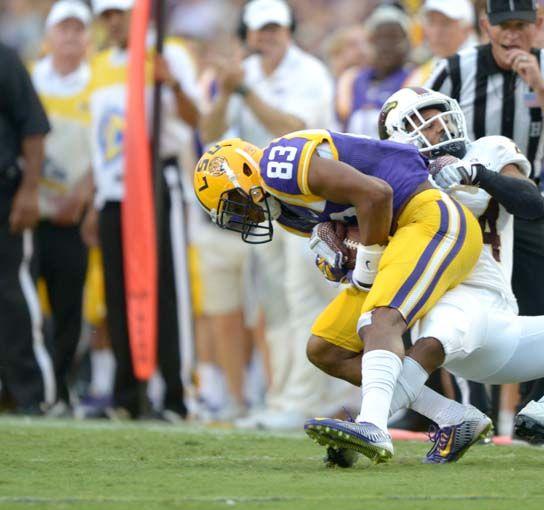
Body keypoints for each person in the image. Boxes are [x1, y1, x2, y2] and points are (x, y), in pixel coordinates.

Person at [368, 88, 544, 462]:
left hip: (502, 317)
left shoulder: (487, 150)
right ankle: (369, 423)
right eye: (425, 123)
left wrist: (480, 175)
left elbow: (533, 204)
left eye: (441, 117)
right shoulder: (395, 182)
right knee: (436, 335)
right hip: (451, 302)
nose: (440, 128)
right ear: (401, 135)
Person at [193, 127, 484, 462]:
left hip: (428, 216)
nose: (243, 217)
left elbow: (377, 194)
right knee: (326, 348)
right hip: (399, 239)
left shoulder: (277, 164)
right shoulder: (289, 214)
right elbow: (363, 225)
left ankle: (372, 426)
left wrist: (367, 258)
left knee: (381, 319)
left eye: (236, 205)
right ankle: (453, 416)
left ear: (244, 172)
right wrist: (343, 260)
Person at [426, 0, 544, 419]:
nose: (512, 35)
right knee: (464, 308)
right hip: (464, 209)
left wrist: (542, 88)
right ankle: (472, 412)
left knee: (540, 305)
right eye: (504, 26)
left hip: (521, 204)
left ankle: (535, 415)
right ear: (485, 25)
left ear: (537, 26)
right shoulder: (453, 69)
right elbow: (423, 135)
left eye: (521, 25)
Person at [199, 0, 345, 429]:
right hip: (263, 209)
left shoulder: (309, 72)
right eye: (259, 30)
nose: (267, 38)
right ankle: (284, 397)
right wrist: (227, 91)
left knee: (306, 300)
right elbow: (209, 136)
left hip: (308, 205)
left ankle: (306, 400)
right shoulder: (243, 77)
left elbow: (294, 127)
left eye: (274, 30)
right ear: (248, 34)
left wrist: (244, 91)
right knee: (275, 307)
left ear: (288, 31)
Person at [82, 0, 199, 419]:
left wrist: (172, 84)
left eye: (120, 13)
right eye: (106, 15)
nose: (114, 22)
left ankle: (175, 394)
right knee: (117, 293)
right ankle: (127, 394)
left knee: (165, 287)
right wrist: (94, 198)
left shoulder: (168, 52)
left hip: (155, 181)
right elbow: (100, 142)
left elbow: (194, 118)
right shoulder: (98, 66)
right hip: (113, 190)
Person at [31, 0, 93, 413]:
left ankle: (62, 386)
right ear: (49, 36)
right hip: (29, 213)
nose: (70, 37)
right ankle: (30, 386)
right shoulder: (30, 79)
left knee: (70, 307)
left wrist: (82, 196)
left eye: (77, 29)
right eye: (63, 29)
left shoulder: (97, 82)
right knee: (24, 304)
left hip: (76, 213)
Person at [0, 41, 54, 415]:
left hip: (5, 191)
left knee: (12, 291)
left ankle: (32, 393)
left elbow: (33, 128)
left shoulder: (4, 58)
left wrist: (30, 190)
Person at [336, 4, 412, 136]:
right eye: (380, 38)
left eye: (393, 38)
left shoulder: (417, 78)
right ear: (370, 42)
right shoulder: (351, 79)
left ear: (407, 42)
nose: (386, 46)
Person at [404, 0, 478, 88]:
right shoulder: (420, 76)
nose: (437, 32)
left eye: (446, 23)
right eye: (431, 22)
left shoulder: (481, 69)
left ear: (467, 29)